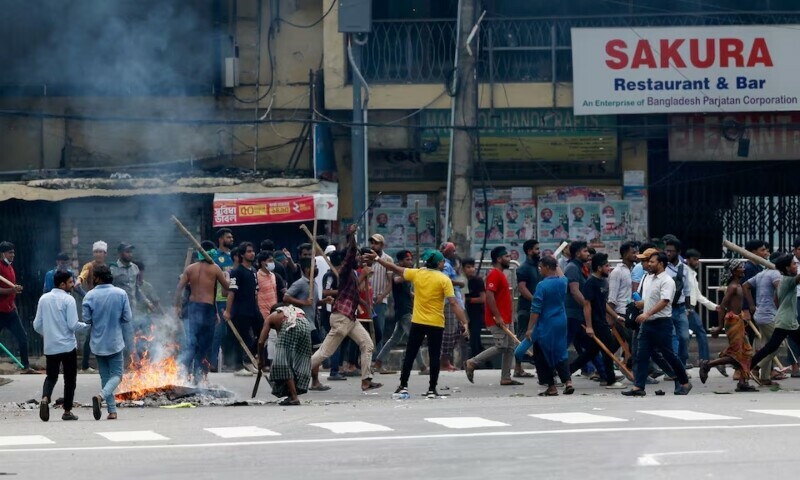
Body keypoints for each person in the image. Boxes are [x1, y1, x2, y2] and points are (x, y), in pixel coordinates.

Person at [368, 248, 469, 398]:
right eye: (442, 261)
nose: (443, 264)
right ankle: (431, 389)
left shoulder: (417, 273)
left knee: (410, 354)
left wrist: (377, 259)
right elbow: (454, 303)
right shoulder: (444, 279)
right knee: (434, 356)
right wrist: (464, 322)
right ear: (438, 263)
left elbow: (394, 268)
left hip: (418, 321)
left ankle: (403, 385)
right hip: (436, 323)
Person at [311, 225, 382, 392]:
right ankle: (292, 374)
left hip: (349, 318)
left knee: (367, 344)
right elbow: (351, 253)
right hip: (342, 317)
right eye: (357, 256)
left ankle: (366, 380)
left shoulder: (353, 274)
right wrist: (352, 235)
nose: (358, 258)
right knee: (324, 353)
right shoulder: (345, 270)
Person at [622, 251, 692, 397]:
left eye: (652, 262)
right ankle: (638, 386)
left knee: (669, 355)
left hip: (662, 323)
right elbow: (650, 299)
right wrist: (639, 306)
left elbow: (664, 301)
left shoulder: (667, 281)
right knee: (641, 355)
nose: (649, 264)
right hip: (647, 324)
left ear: (661, 264)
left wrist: (647, 313)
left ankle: (684, 382)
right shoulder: (648, 278)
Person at [515, 255, 574, 396]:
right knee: (561, 352)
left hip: (546, 324)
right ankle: (568, 382)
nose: (540, 269)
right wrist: (556, 263)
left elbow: (535, 310)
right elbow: (561, 274)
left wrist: (529, 328)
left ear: (548, 267)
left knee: (542, 354)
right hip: (561, 322)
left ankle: (551, 386)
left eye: (541, 267)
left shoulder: (542, 286)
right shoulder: (563, 283)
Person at [34, 271, 88, 421]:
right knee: (70, 379)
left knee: (51, 376)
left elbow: (37, 325)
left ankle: (45, 398)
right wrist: (87, 326)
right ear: (62, 284)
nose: (72, 285)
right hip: (67, 346)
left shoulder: (43, 299)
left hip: (50, 347)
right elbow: (73, 325)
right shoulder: (68, 299)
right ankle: (67, 411)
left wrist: (49, 333)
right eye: (70, 282)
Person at [568, 253, 625, 389]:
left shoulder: (603, 281)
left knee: (591, 352)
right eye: (606, 266)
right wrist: (589, 326)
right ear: (599, 268)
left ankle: (566, 372)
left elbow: (603, 303)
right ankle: (610, 380)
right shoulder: (590, 283)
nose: (609, 268)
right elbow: (587, 305)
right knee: (608, 349)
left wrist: (615, 316)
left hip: (602, 320)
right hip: (595, 323)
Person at [465, 247, 520, 386]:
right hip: (498, 318)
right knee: (501, 346)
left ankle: (506, 377)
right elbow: (489, 296)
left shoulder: (501, 274)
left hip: (507, 317)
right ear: (499, 259)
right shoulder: (494, 274)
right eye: (507, 256)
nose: (509, 259)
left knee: (510, 347)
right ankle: (472, 362)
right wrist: (498, 316)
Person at [83, 265, 132, 420]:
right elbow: (127, 318)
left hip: (97, 343)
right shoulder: (121, 293)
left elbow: (87, 320)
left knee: (105, 377)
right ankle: (101, 397)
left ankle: (112, 411)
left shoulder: (89, 296)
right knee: (117, 375)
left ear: (97, 278)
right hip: (115, 341)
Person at [699, 259, 756, 391]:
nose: (744, 269)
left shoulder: (739, 285)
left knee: (746, 352)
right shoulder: (733, 287)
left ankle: (743, 382)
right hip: (732, 321)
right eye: (740, 267)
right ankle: (708, 364)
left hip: (738, 320)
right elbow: (721, 307)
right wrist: (719, 327)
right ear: (734, 271)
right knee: (737, 354)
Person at [175, 247, 229, 382]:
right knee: (205, 345)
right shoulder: (215, 268)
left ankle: (184, 373)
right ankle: (198, 377)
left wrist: (177, 306)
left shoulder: (190, 268)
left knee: (193, 343)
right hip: (207, 309)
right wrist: (227, 276)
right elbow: (225, 290)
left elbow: (179, 288)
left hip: (193, 308)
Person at [747, 255, 800, 381]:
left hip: (785, 319)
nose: (796, 266)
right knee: (771, 347)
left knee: (771, 347)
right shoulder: (788, 281)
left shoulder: (783, 280)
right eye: (794, 264)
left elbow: (776, 300)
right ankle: (749, 366)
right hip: (787, 321)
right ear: (787, 268)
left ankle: (749, 366)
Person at [283, 258, 332, 392]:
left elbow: (314, 303)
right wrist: (303, 302)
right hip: (303, 323)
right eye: (313, 266)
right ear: (306, 269)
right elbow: (286, 298)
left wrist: (324, 301)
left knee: (311, 352)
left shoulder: (314, 284)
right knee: (316, 351)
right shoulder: (300, 283)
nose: (316, 268)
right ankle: (312, 381)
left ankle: (310, 380)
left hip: (312, 322)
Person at [374, 250, 427, 373]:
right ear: (400, 261)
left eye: (410, 259)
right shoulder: (397, 274)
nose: (410, 262)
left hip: (406, 309)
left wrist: (417, 296)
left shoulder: (407, 274)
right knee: (415, 338)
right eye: (407, 260)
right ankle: (423, 367)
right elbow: (397, 280)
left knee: (394, 339)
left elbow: (407, 292)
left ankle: (378, 362)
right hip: (404, 311)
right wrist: (415, 273)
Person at [257, 304, 314, 406]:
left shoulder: (271, 318)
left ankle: (294, 396)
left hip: (290, 325)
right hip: (305, 324)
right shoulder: (290, 311)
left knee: (282, 363)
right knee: (300, 360)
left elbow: (261, 341)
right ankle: (292, 393)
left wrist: (261, 360)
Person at [744, 252, 785, 385]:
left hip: (761, 314)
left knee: (768, 346)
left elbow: (745, 286)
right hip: (769, 315)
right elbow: (780, 292)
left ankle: (765, 378)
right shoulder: (775, 274)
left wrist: (751, 305)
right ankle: (757, 366)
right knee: (779, 345)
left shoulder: (762, 273)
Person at [224, 242, 261, 376]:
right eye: (249, 251)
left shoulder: (253, 271)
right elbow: (231, 292)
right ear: (242, 255)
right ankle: (239, 366)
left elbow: (256, 292)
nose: (252, 253)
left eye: (253, 251)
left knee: (262, 332)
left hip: (252, 309)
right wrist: (228, 311)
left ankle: (249, 360)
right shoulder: (237, 272)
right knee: (241, 338)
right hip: (240, 311)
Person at [0, 242, 33, 373]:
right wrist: (11, 290)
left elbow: (11, 291)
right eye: (10, 252)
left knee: (22, 337)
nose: (12, 255)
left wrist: (13, 303)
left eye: (13, 252)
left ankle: (25, 366)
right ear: (2, 254)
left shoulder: (10, 268)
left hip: (10, 311)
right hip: (0, 311)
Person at [109, 243, 142, 367]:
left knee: (131, 336)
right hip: (118, 310)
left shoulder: (135, 268)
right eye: (127, 252)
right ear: (120, 253)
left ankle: (131, 363)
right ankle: (130, 363)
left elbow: (137, 288)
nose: (130, 254)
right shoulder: (112, 269)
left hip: (132, 309)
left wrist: (148, 303)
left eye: (130, 252)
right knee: (120, 338)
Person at [513, 239, 540, 378]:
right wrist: (535, 300)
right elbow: (522, 288)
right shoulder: (523, 268)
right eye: (536, 249)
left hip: (536, 309)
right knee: (522, 337)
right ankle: (517, 368)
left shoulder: (536, 266)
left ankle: (540, 367)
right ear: (529, 251)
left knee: (538, 338)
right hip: (526, 309)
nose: (538, 251)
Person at [685, 249, 716, 370]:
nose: (697, 262)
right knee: (699, 333)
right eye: (694, 259)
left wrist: (713, 306)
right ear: (687, 260)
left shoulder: (692, 274)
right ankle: (705, 360)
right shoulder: (685, 273)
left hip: (689, 307)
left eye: (698, 259)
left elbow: (697, 295)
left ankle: (686, 361)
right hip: (687, 308)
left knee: (685, 336)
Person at [211, 228, 235, 372]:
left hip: (234, 299)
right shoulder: (215, 257)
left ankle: (231, 363)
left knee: (231, 333)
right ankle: (212, 363)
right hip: (220, 299)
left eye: (232, 237)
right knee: (218, 333)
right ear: (220, 239)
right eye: (228, 237)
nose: (231, 239)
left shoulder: (234, 256)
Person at [440, 242, 465, 371]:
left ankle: (445, 359)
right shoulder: (444, 264)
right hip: (449, 302)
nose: (454, 253)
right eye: (452, 251)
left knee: (460, 330)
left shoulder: (451, 264)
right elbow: (444, 280)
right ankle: (443, 360)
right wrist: (458, 282)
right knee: (449, 332)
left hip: (456, 300)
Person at [320, 251, 345, 381]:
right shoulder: (330, 276)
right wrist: (341, 290)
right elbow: (326, 291)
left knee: (337, 341)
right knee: (334, 341)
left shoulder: (340, 275)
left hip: (339, 311)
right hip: (330, 312)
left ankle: (337, 367)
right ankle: (334, 370)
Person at [368, 234, 394, 356]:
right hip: (365, 300)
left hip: (379, 300)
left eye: (376, 243)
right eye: (372, 242)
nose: (373, 245)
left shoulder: (387, 259)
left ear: (382, 245)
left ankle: (377, 358)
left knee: (379, 330)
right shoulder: (366, 257)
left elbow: (390, 283)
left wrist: (382, 296)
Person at [463, 258, 486, 359]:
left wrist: (468, 300)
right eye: (468, 267)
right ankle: (486, 362)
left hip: (477, 313)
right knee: (471, 339)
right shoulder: (462, 281)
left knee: (475, 338)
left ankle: (476, 361)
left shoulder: (478, 281)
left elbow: (482, 299)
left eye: (472, 267)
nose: (471, 269)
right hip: (465, 313)